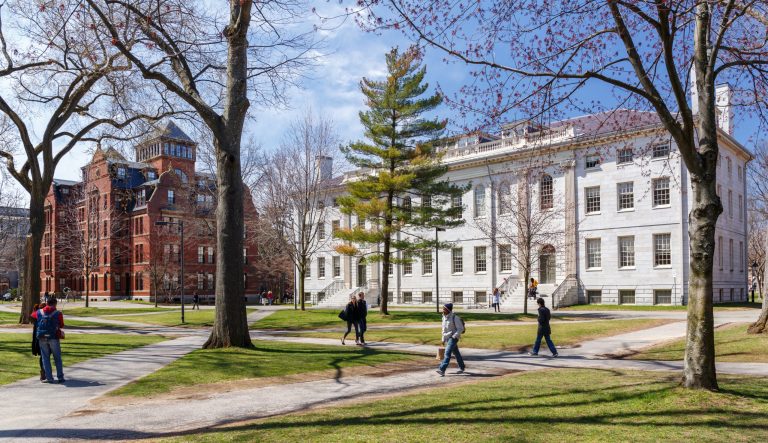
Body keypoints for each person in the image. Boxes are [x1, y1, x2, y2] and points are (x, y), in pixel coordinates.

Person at [31, 297, 66, 383]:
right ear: (55, 304)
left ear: (47, 303)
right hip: (53, 337)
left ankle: (49, 378)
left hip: (42, 337)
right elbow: (61, 325)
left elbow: (32, 315)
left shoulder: (39, 312)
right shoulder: (58, 313)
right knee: (57, 358)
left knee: (45, 358)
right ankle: (60, 377)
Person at [436, 303, 465, 376]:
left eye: (444, 309)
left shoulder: (455, 317)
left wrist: (454, 336)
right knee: (456, 353)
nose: (442, 310)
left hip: (453, 338)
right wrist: (443, 339)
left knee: (447, 353)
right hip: (447, 338)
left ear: (448, 310)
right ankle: (462, 367)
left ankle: (442, 369)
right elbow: (443, 330)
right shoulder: (443, 317)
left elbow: (460, 329)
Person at [31, 303, 45, 381]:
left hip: (37, 339)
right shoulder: (42, 315)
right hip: (44, 338)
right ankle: (43, 372)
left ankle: (43, 371)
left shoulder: (35, 315)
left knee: (42, 356)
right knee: (45, 356)